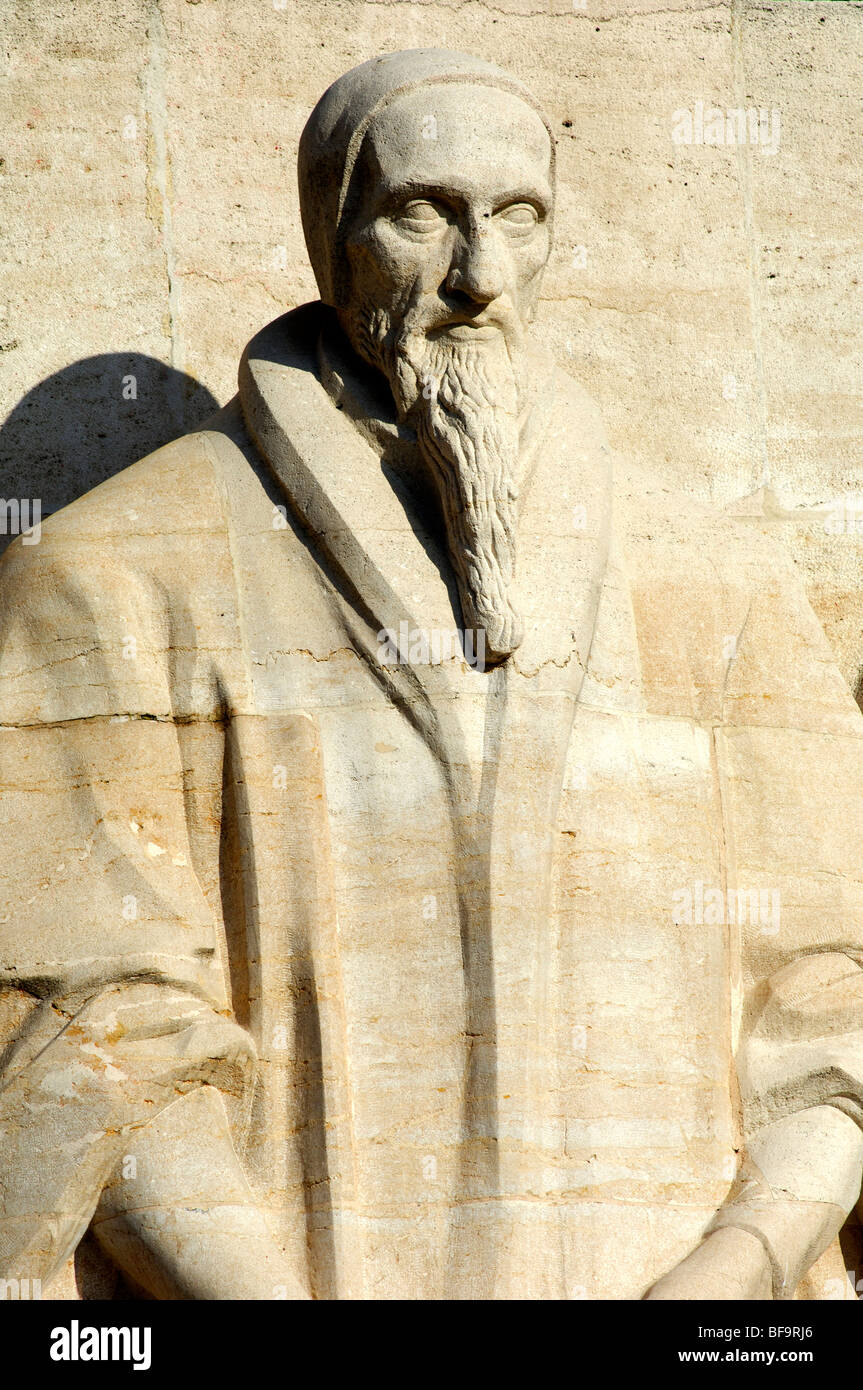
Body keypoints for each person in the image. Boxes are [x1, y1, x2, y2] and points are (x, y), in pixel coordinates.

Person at [2, 48, 863, 1301]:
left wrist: (732, 1272)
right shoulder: (115, 573)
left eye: (518, 217)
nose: (478, 277)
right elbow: (84, 1020)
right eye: (421, 213)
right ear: (331, 233)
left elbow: (827, 996)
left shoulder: (716, 584)